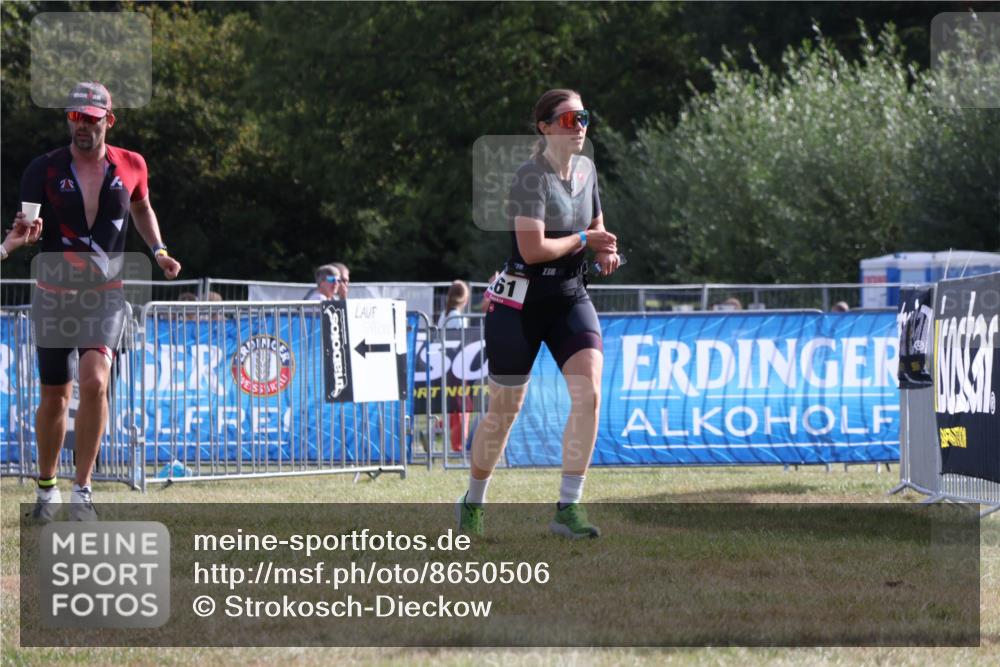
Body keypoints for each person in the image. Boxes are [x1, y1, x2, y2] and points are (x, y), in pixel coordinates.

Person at [457, 88, 619, 539]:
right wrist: (586, 243)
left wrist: (605, 247)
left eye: (583, 117)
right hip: (519, 303)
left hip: (569, 295)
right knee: (505, 410)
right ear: (545, 127)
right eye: (569, 119)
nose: (580, 126)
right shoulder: (531, 177)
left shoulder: (586, 170)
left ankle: (568, 508)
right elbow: (533, 249)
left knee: (589, 394)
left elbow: (596, 226)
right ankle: (473, 502)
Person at [19, 82, 181, 522]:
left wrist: (159, 251)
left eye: (91, 118)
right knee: (55, 396)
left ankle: (83, 491)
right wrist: (24, 233)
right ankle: (47, 489)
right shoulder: (44, 168)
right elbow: (27, 223)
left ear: (109, 120)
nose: (83, 126)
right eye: (75, 117)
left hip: (106, 295)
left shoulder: (131, 164)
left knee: (95, 381)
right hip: (54, 295)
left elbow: (142, 209)